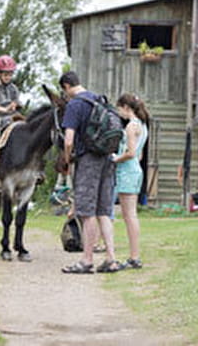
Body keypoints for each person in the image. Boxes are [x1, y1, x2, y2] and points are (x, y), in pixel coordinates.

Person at [59, 71, 120, 274]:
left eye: (64, 91)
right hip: (107, 159)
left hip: (88, 160)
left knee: (86, 212)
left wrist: (67, 160)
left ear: (67, 86)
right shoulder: (99, 99)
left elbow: (68, 140)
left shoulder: (75, 104)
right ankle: (111, 259)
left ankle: (86, 260)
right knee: (104, 211)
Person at [112, 93, 149, 269]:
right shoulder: (143, 126)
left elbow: (131, 153)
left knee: (129, 216)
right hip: (136, 171)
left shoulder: (130, 127)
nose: (119, 113)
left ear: (126, 108)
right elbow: (139, 155)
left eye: (119, 109)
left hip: (127, 172)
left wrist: (114, 158)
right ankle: (135, 255)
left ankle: (134, 256)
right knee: (131, 215)